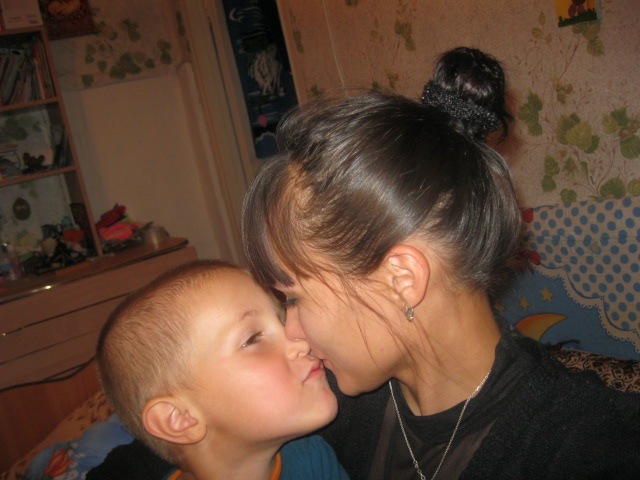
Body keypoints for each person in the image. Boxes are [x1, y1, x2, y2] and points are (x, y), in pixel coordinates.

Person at [240, 65, 640, 479]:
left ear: (402, 279)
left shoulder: (594, 449)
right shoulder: (324, 405)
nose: (291, 333)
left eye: (294, 298)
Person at [90, 259, 348, 480]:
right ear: (180, 418)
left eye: (281, 319)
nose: (301, 340)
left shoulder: (313, 459)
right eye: (252, 339)